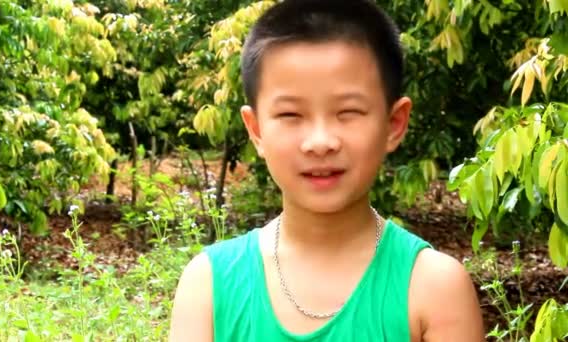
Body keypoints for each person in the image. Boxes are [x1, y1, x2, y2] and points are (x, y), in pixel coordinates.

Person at [169, 0, 485, 341]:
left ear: (394, 124)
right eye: (291, 115)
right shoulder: (210, 286)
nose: (320, 142)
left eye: (347, 111)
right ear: (256, 129)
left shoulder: (433, 289)